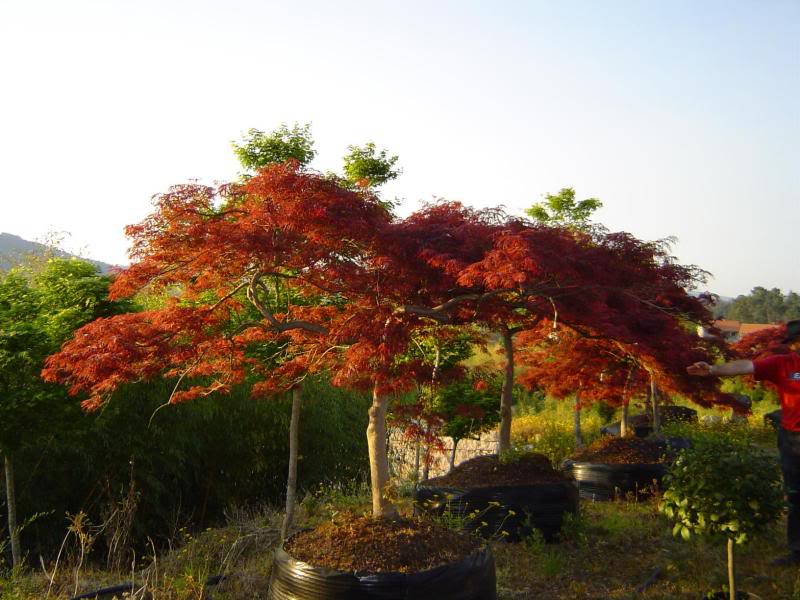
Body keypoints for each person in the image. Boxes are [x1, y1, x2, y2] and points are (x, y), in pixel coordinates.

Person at [687, 319, 800, 567]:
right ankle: (797, 551)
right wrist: (713, 370)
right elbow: (747, 365)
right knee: (795, 495)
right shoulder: (784, 364)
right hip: (793, 439)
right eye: (795, 342)